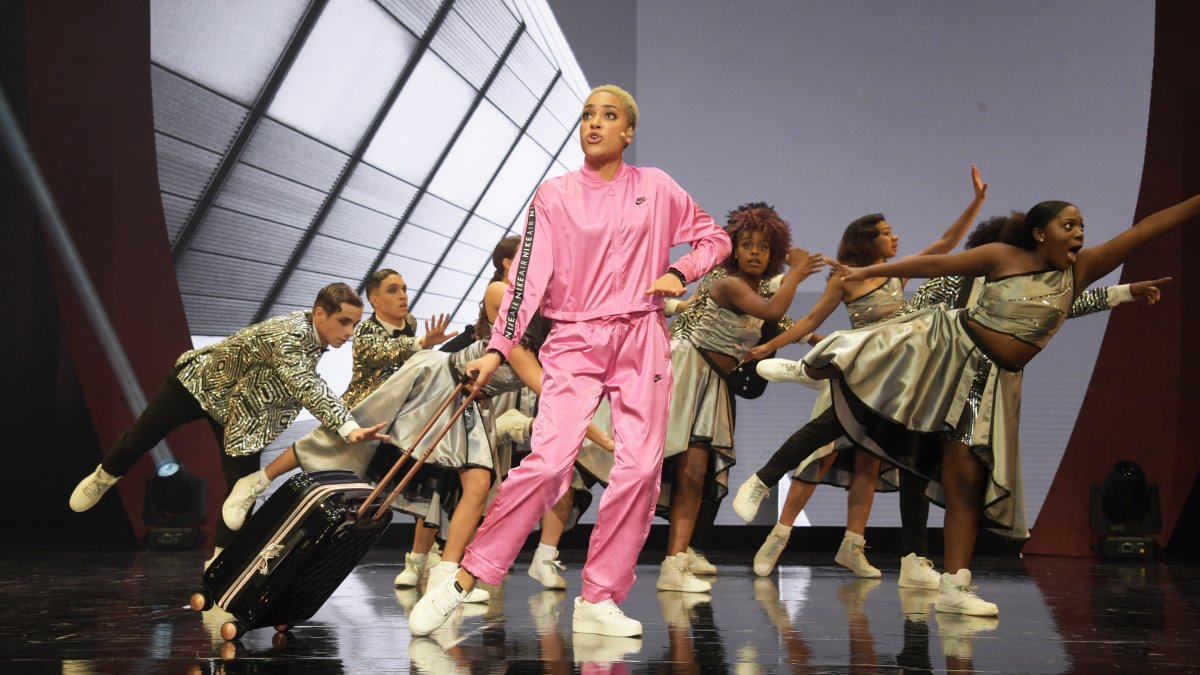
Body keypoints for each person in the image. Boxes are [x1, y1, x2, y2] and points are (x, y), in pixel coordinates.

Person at [748, 194, 1200, 615]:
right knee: (866, 397)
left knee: (966, 481)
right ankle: (817, 368)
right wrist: (866, 274)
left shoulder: (1076, 273)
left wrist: (1127, 290)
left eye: (1083, 226)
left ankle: (954, 584)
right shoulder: (1002, 257)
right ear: (1040, 232)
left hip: (993, 385)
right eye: (1069, 225)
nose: (1080, 233)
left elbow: (1144, 231)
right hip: (947, 353)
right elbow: (938, 260)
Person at [407, 84, 731, 638]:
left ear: (628, 132)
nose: (594, 124)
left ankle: (600, 596)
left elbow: (715, 238)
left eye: (608, 116)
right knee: (550, 462)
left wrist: (682, 271)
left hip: (641, 336)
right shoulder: (553, 196)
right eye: (587, 115)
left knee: (640, 467)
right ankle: (467, 577)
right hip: (576, 337)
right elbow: (526, 281)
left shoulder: (656, 187)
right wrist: (495, 349)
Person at [732, 166, 988, 580]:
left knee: (869, 465)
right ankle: (777, 538)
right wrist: (767, 345)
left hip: (892, 383)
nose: (896, 237)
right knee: (819, 455)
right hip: (854, 378)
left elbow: (945, 244)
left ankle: (852, 547)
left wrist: (975, 203)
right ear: (867, 241)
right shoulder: (845, 280)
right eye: (887, 232)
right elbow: (807, 320)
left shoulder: (897, 272)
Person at [68, 282, 390, 564]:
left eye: (354, 324)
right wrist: (348, 426)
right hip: (201, 384)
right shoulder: (292, 333)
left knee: (242, 488)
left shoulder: (314, 337)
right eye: (343, 322)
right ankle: (103, 476)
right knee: (141, 436)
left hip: (240, 410)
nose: (349, 332)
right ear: (321, 314)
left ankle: (220, 564)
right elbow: (305, 383)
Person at [657, 203, 822, 594]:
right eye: (747, 244)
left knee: (695, 474)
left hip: (712, 384)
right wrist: (796, 272)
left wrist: (819, 339)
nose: (754, 252)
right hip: (684, 374)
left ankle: (674, 562)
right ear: (733, 247)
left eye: (764, 247)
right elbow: (772, 310)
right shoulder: (726, 281)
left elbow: (779, 320)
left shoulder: (755, 287)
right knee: (655, 469)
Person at [220, 269, 456, 533]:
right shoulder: (367, 330)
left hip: (400, 412)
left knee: (419, 473)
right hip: (366, 405)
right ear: (375, 301)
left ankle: (424, 553)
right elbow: (379, 353)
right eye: (393, 290)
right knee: (318, 445)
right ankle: (259, 483)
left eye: (404, 288)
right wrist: (421, 343)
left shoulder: (409, 324)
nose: (402, 296)